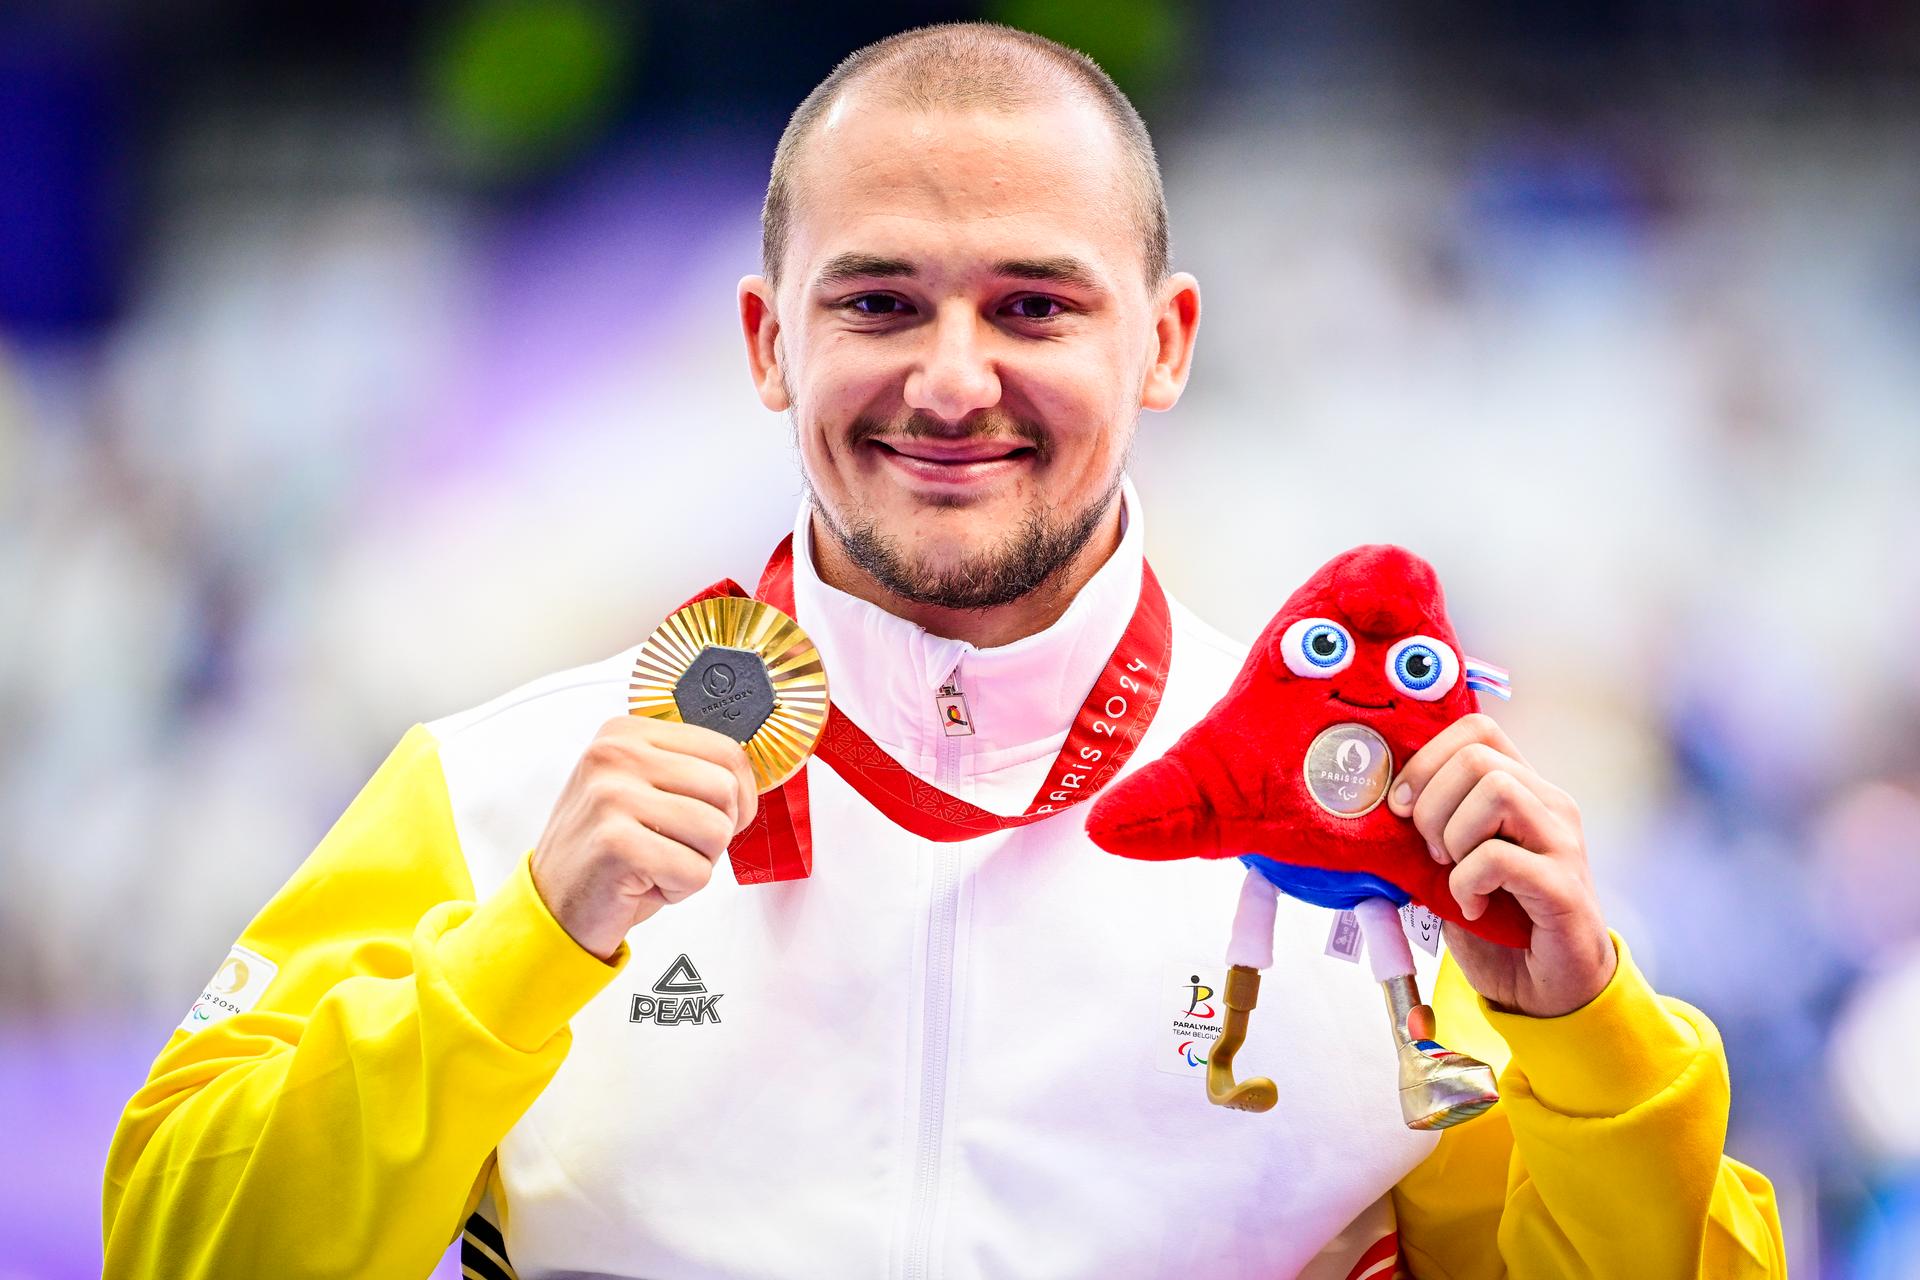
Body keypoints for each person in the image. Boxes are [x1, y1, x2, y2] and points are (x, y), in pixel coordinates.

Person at [103, 23, 1786, 1279]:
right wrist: (522, 953)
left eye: (1035, 305)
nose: (956, 379)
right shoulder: (498, 800)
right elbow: (179, 1245)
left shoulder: (1378, 851)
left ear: (1166, 341)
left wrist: (1589, 1040)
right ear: (770, 343)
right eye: (880, 302)